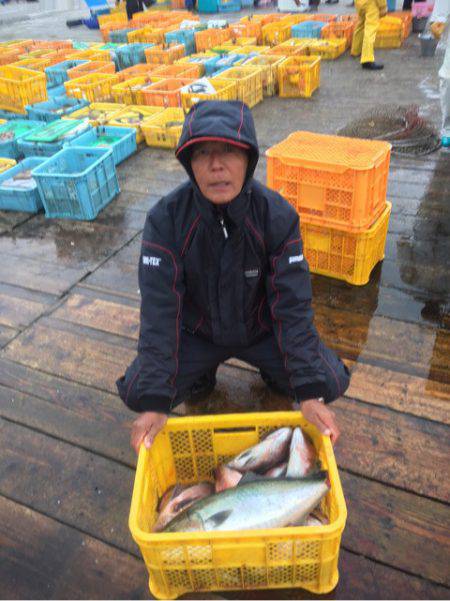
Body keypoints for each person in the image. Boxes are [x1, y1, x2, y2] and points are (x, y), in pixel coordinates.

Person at [116, 100, 351, 454]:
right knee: (140, 391)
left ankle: (277, 375)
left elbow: (293, 307)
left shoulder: (277, 216)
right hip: (197, 335)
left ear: (249, 159)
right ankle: (199, 375)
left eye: (229, 151)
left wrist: (308, 391)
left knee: (327, 381)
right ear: (188, 162)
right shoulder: (165, 220)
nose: (216, 165)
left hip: (261, 332)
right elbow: (159, 314)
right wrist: (155, 400)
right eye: (202, 153)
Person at [351, 0, 388, 70]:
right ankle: (367, 60)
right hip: (370, 4)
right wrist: (383, 6)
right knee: (370, 29)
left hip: (359, 3)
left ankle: (355, 50)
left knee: (361, 24)